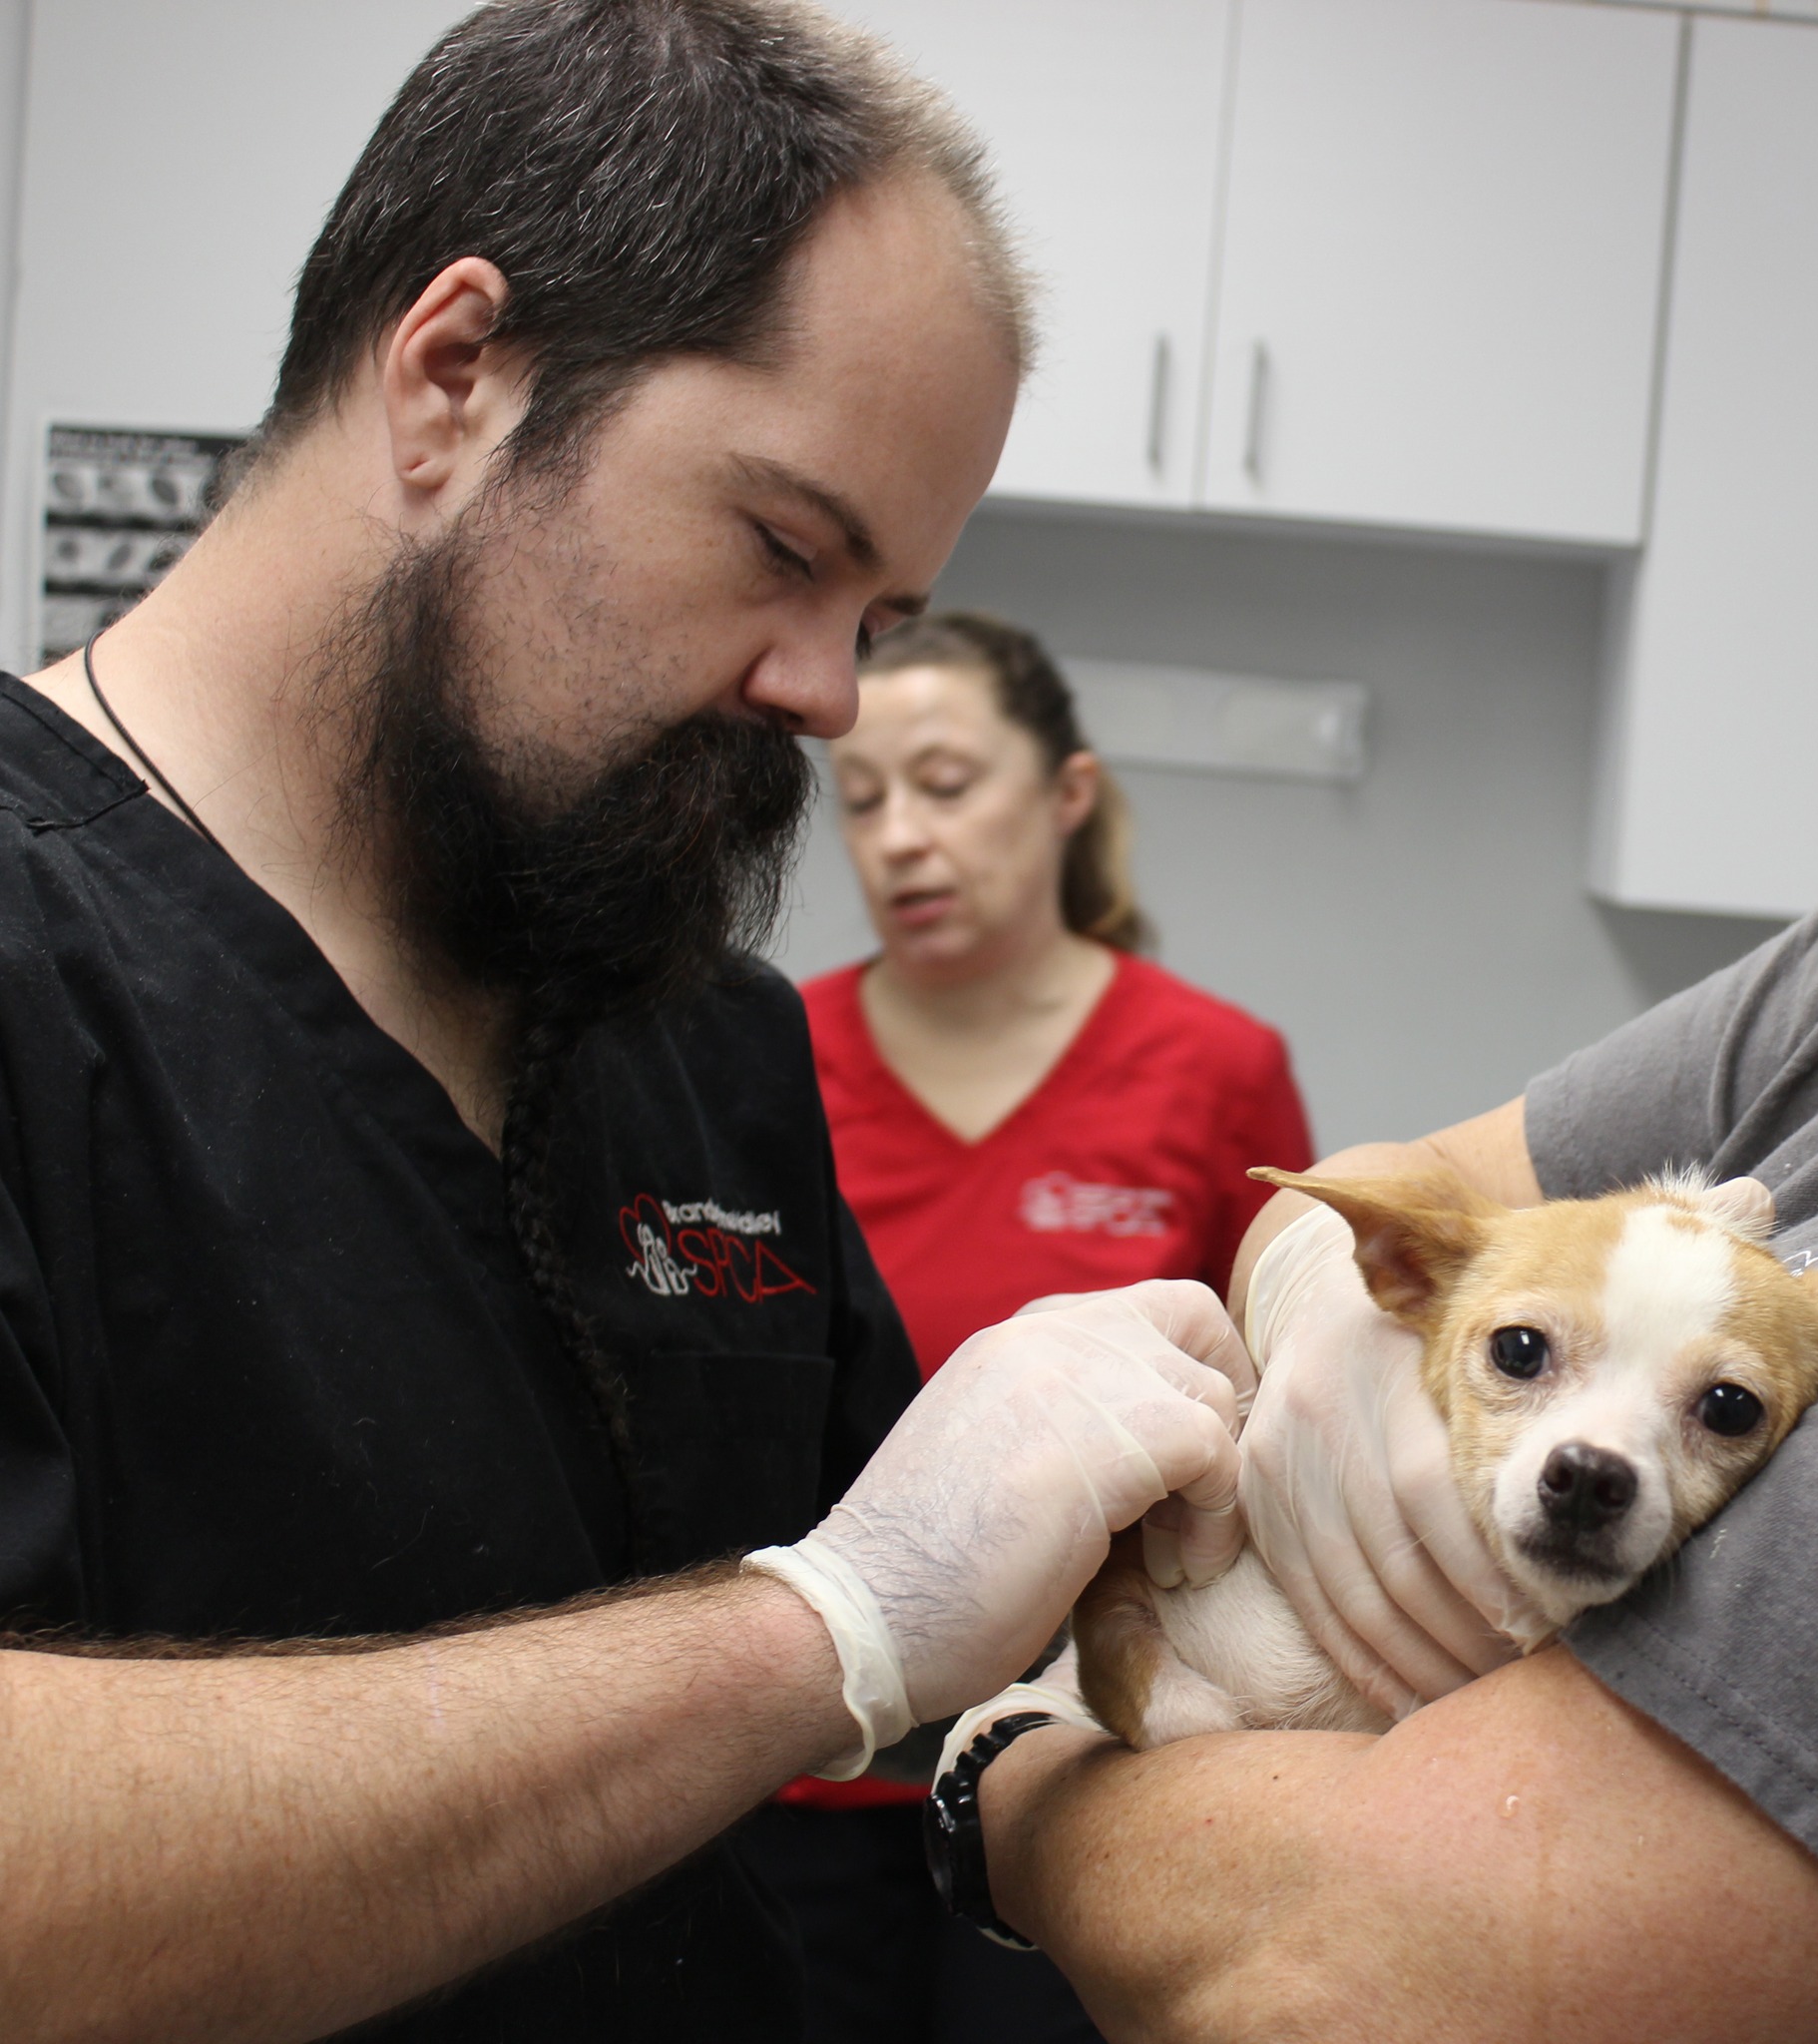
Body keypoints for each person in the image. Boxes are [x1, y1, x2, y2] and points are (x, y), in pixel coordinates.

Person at [0, 6, 1258, 2039]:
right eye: (783, 547)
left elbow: (967, 1659)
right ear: (452, 378)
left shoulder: (698, 1042)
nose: (830, 697)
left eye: (877, 620)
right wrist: (810, 1633)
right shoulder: (42, 964)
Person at [938, 606, 1818, 2034]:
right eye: (1525, 1355)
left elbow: (1334, 1978)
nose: (1593, 1451)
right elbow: (1416, 1185)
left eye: (1723, 1407)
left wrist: (1001, 1774)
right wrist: (1320, 1274)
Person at [738, 612, 1313, 2042]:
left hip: (1080, 1753)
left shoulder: (1214, 1069)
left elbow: (1276, 1416)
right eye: (861, 799)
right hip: (801, 1757)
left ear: (1066, 796)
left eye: (944, 784)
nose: (899, 838)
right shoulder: (758, 1057)